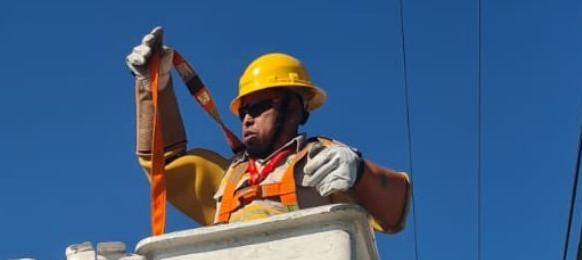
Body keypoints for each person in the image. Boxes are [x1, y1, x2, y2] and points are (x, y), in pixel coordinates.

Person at [128, 28, 411, 232]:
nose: (247, 119)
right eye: (243, 111)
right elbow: (163, 167)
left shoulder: (326, 162)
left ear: (295, 108)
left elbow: (393, 213)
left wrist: (361, 174)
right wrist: (154, 88)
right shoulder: (228, 178)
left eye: (259, 107)